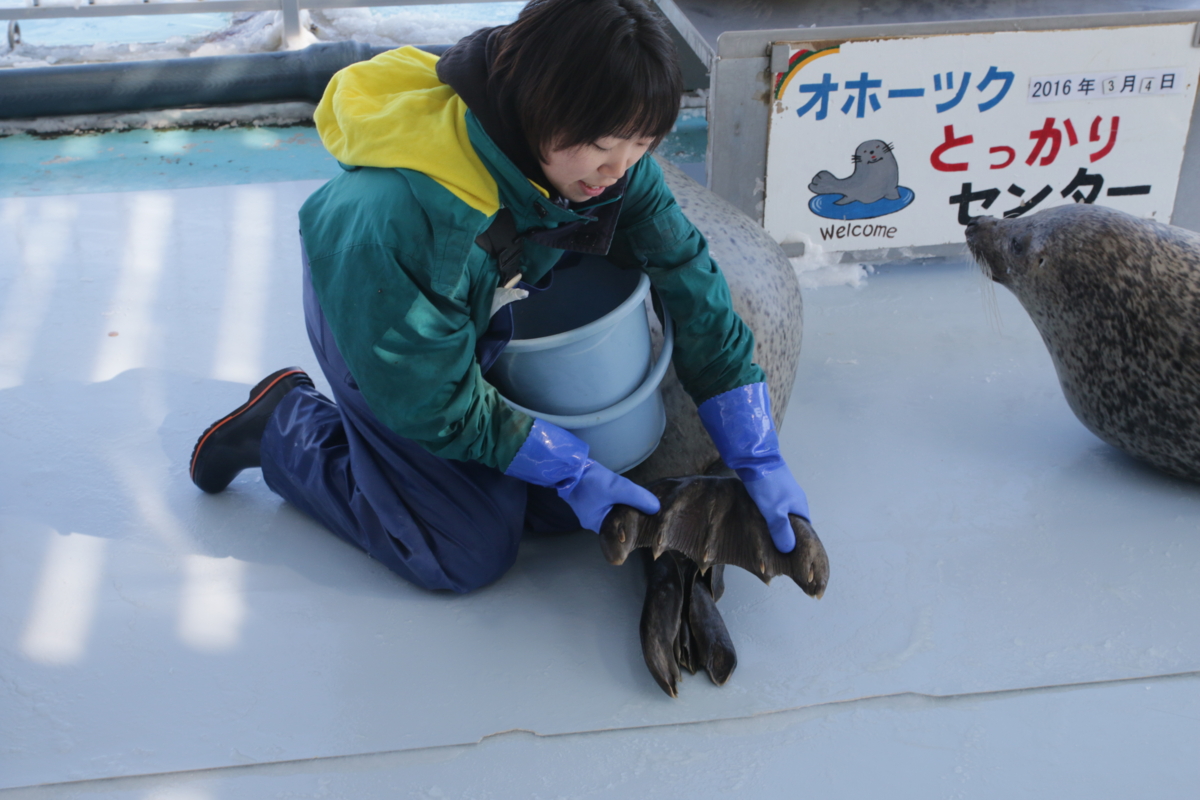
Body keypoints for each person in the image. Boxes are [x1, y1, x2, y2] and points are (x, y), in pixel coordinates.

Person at [189, 0, 809, 594]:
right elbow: (430, 400)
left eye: (642, 144)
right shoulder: (412, 220)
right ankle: (282, 425)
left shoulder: (607, 161)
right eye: (602, 146)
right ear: (543, 104)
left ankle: (484, 468)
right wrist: (566, 466)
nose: (620, 169)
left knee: (579, 492)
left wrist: (756, 453)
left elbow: (686, 274)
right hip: (378, 313)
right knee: (461, 550)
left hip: (482, 292)